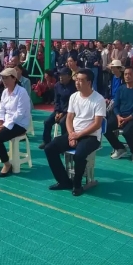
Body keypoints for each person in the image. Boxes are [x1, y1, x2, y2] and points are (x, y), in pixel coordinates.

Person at [44, 68, 107, 197]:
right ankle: (64, 181)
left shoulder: (98, 99)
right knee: (50, 148)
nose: (77, 82)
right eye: (76, 79)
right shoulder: (74, 96)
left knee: (79, 155)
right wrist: (71, 135)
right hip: (74, 133)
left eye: (80, 80)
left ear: (89, 82)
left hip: (91, 136)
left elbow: (97, 124)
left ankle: (77, 185)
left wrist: (78, 135)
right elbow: (69, 118)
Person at [0, 67, 32, 177]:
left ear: (14, 79)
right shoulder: (5, 92)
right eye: (3, 78)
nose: (4, 80)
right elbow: (1, 110)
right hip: (6, 122)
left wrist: (4, 125)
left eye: (6, 78)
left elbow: (20, 114)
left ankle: (7, 164)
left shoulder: (22, 92)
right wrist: (0, 123)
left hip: (19, 124)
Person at [104, 66, 133, 162]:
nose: (127, 76)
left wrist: (127, 118)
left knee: (127, 132)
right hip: (120, 116)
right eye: (126, 74)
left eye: (130, 74)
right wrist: (119, 117)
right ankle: (120, 148)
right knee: (105, 128)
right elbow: (116, 106)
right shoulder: (121, 89)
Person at [40, 67, 76, 149]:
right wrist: (57, 112)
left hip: (70, 111)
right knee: (47, 122)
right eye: (60, 75)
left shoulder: (74, 86)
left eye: (63, 75)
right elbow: (56, 100)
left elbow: (73, 103)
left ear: (69, 76)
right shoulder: (57, 85)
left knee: (63, 123)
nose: (60, 77)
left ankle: (65, 144)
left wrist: (63, 113)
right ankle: (46, 141)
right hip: (59, 111)